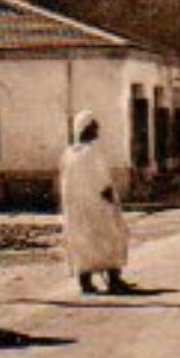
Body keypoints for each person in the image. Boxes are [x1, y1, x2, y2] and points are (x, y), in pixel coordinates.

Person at [58, 110, 132, 295]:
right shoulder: (92, 153)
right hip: (98, 207)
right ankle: (114, 280)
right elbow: (103, 183)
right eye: (94, 126)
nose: (97, 130)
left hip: (77, 210)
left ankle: (86, 283)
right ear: (85, 128)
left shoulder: (68, 154)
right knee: (111, 237)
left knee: (84, 243)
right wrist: (114, 205)